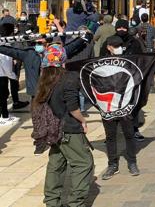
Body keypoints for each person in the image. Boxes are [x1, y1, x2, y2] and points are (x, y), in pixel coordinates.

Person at [38, 44, 93, 207]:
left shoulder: (44, 79)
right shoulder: (69, 77)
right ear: (63, 59)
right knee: (83, 163)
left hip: (52, 129)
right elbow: (73, 107)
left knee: (56, 163)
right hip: (69, 129)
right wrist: (83, 121)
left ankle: (51, 201)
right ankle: (76, 203)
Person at [98, 35, 141, 180]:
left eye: (119, 45)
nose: (118, 49)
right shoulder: (100, 61)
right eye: (115, 46)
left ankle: (132, 162)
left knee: (129, 134)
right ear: (109, 47)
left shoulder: (128, 59)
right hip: (108, 107)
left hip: (125, 106)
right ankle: (112, 164)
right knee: (110, 137)